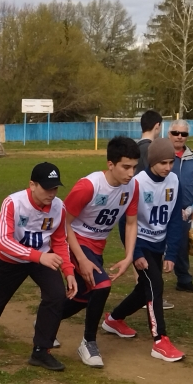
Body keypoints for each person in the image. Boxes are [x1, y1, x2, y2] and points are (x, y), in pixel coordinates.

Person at [0, 162, 77, 371]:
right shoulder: (13, 203)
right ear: (32, 185)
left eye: (55, 188)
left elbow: (59, 240)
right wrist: (38, 256)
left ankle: (41, 350)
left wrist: (68, 271)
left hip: (43, 258)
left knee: (56, 296)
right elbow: (4, 241)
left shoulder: (59, 207)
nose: (52, 193)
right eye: (46, 188)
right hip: (12, 260)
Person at [60, 136, 140, 368]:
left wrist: (129, 257)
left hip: (97, 246)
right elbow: (63, 223)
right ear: (110, 164)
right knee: (102, 285)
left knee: (84, 296)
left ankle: (48, 318)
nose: (131, 173)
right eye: (126, 167)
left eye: (134, 167)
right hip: (75, 242)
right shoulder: (88, 186)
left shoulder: (133, 187)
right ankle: (88, 343)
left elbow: (131, 223)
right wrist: (81, 258)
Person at [102, 139, 185, 361]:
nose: (168, 167)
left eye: (171, 162)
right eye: (163, 163)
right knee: (155, 285)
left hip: (159, 244)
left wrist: (172, 253)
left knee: (144, 289)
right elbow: (125, 223)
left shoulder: (175, 181)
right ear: (151, 161)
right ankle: (160, 340)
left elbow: (176, 219)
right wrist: (136, 253)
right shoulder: (137, 183)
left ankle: (114, 319)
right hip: (141, 243)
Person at [168, 119, 193, 294]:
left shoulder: (192, 158)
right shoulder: (162, 156)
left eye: (184, 134)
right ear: (169, 134)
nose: (179, 137)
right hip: (166, 208)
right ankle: (152, 280)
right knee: (157, 245)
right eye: (176, 133)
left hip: (186, 210)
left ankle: (183, 279)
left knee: (182, 245)